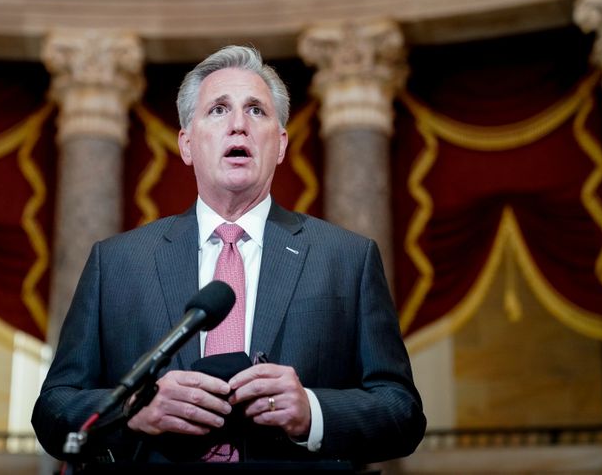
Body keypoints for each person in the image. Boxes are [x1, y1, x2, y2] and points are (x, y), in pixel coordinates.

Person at [31, 45, 426, 470]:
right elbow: (54, 410)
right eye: (218, 110)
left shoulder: (346, 259)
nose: (238, 125)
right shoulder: (118, 263)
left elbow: (402, 413)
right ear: (186, 143)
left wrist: (312, 411)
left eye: (256, 111)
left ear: (280, 144)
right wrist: (135, 411)